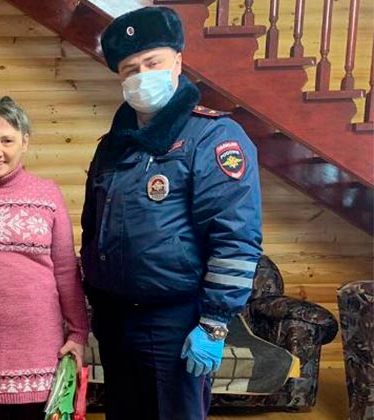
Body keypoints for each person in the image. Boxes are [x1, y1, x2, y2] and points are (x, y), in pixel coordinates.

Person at [80, 7, 263, 420]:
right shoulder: (111, 146)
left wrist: (214, 322)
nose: (142, 75)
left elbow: (235, 239)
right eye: (130, 69)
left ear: (178, 62)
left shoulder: (213, 137)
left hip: (175, 322)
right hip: (114, 319)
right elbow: (93, 229)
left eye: (152, 62)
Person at [0, 97, 89, 420]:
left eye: (7, 140)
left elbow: (66, 272)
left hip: (40, 352)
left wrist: (78, 333)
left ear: (25, 142)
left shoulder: (48, 196)